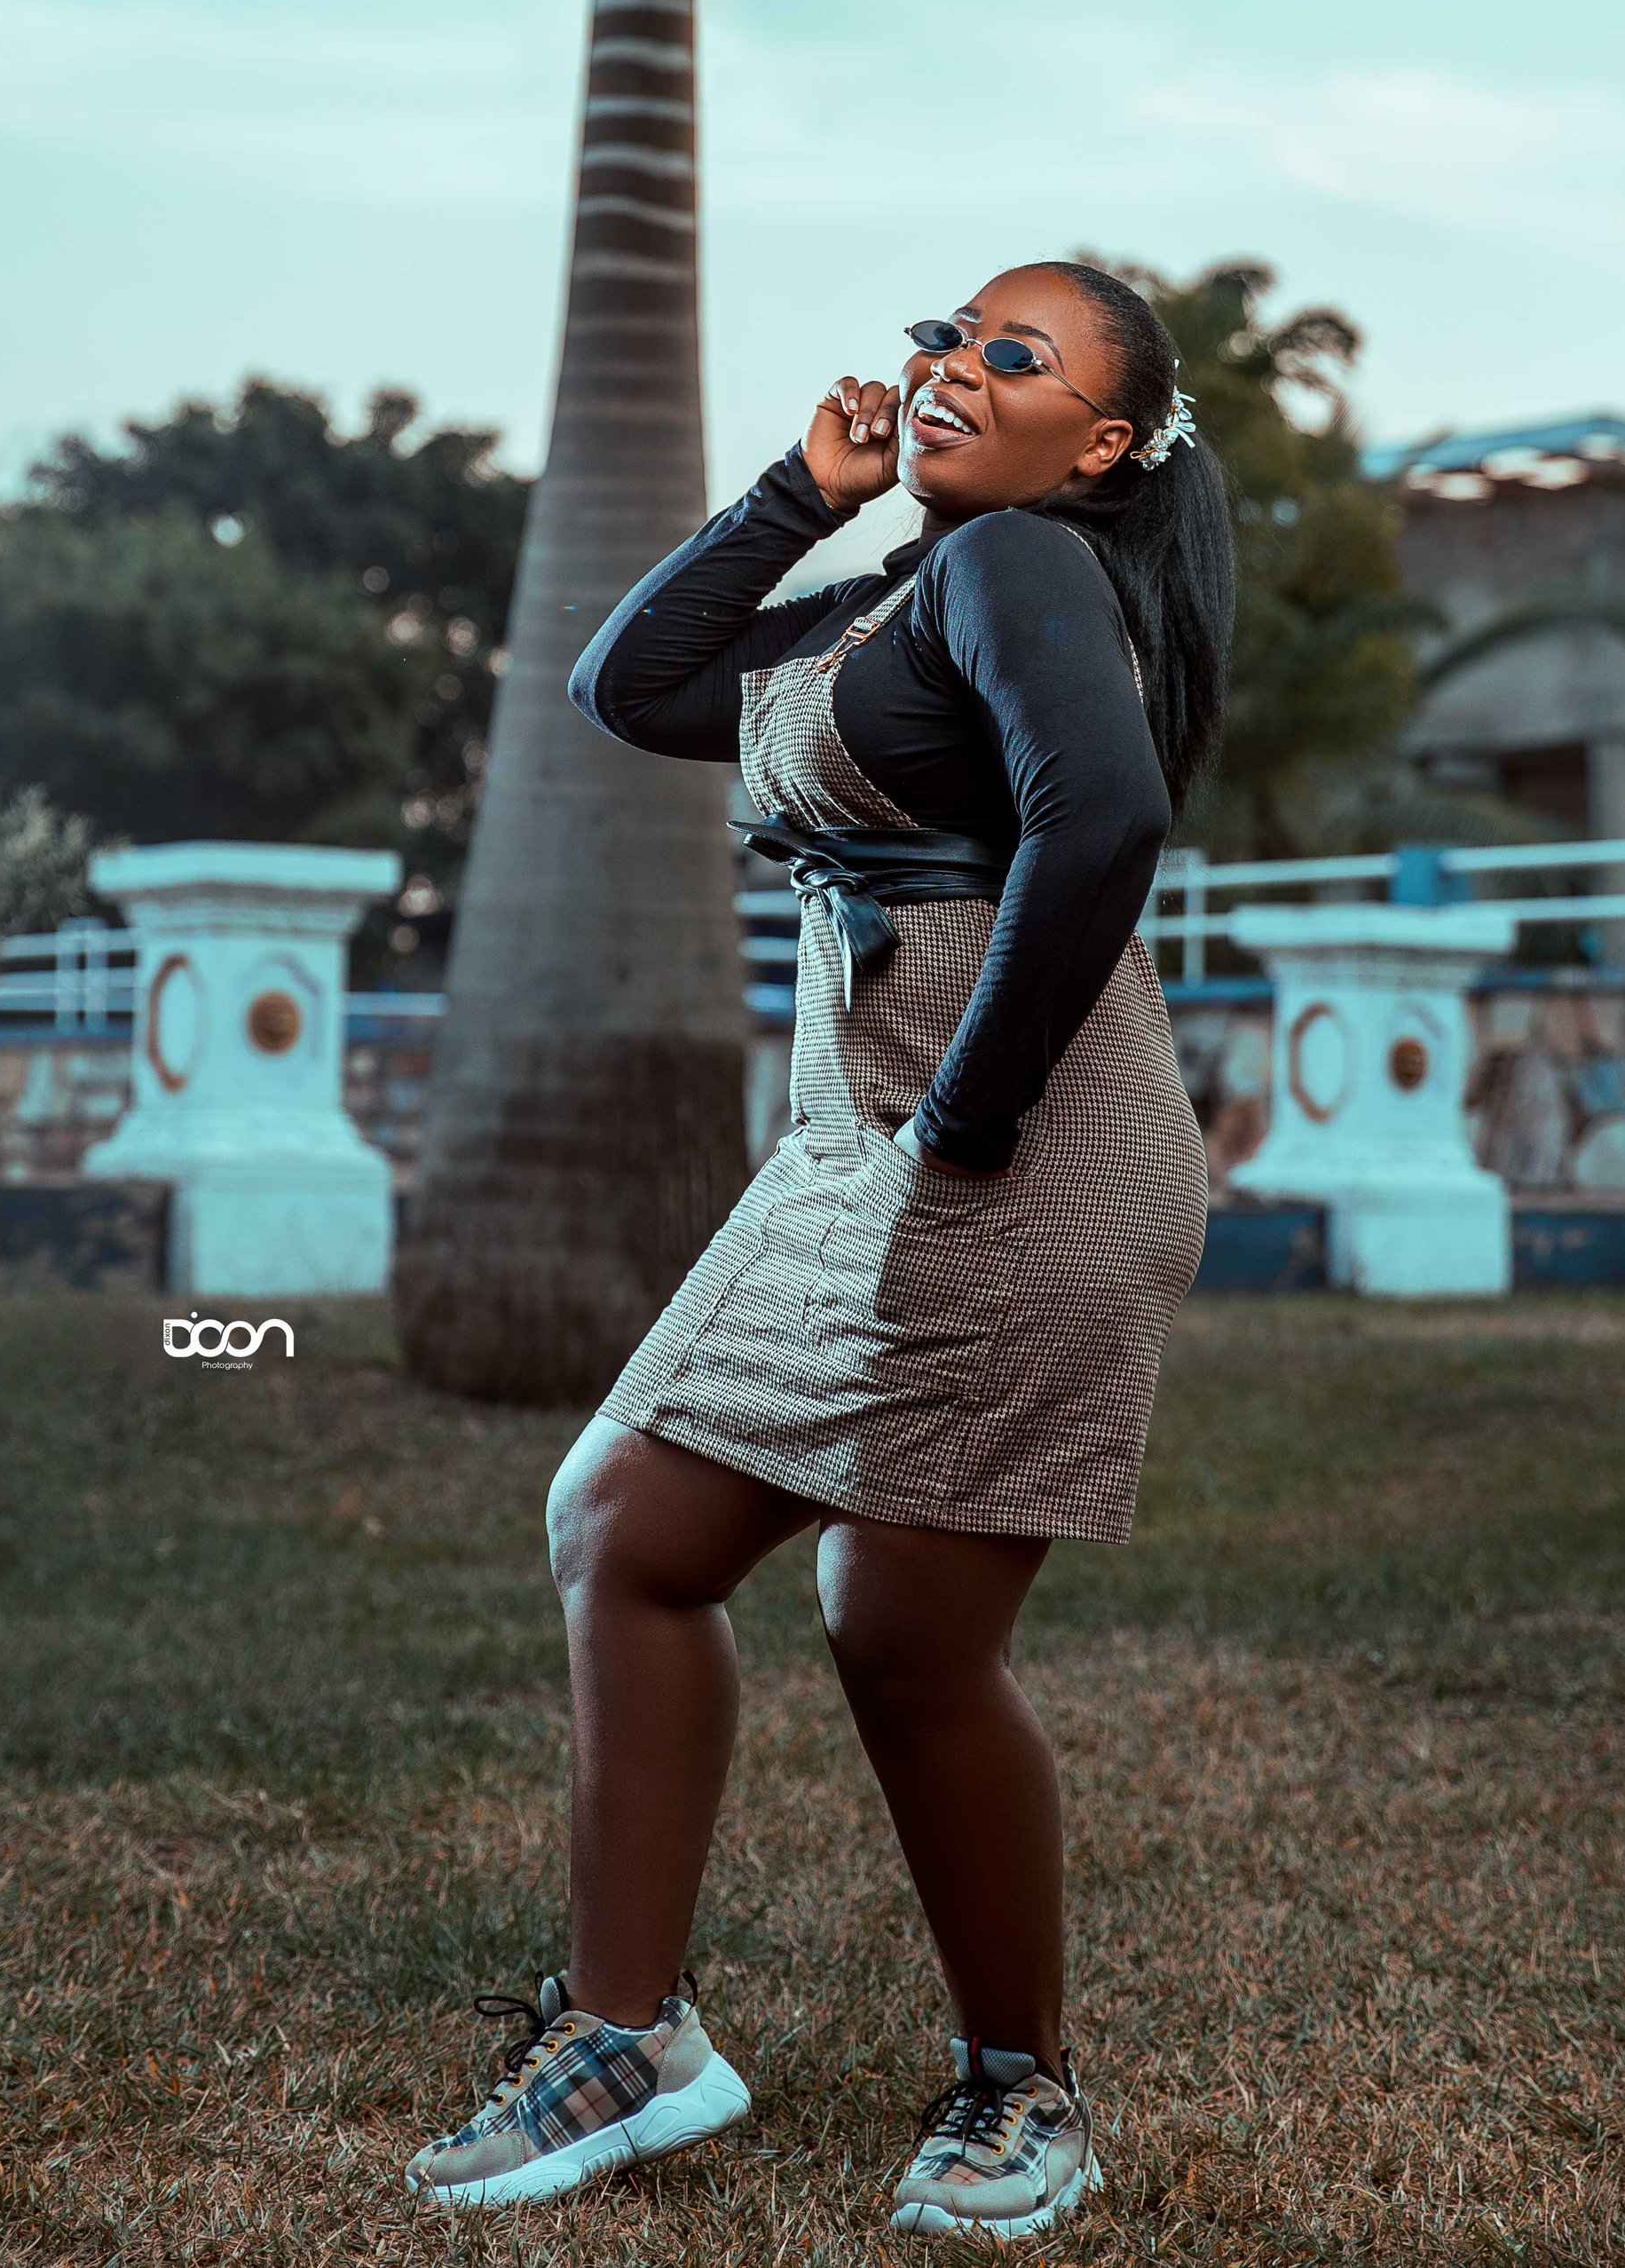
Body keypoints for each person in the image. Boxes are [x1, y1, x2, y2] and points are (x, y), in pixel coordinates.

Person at [406, 259, 1235, 2234]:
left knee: (892, 1630)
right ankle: (634, 2041)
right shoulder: (908, 579)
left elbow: (1098, 822)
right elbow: (640, 689)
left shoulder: (1020, 569)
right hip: (858, 1125)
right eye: (947, 333)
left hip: (1003, 1142)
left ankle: (1019, 2093)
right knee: (629, 1534)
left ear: (1098, 447)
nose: (952, 365)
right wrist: (801, 489)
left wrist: (967, 1110)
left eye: (1011, 359)